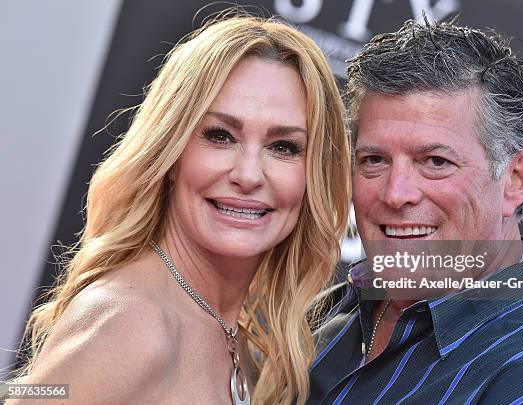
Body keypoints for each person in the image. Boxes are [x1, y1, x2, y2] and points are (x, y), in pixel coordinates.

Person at [10, 15, 350, 405]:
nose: (249, 174)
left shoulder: (236, 340)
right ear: (171, 154)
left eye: (284, 147)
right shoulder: (131, 323)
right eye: (220, 136)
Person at [308, 18, 523, 404]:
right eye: (374, 159)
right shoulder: (330, 311)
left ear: (516, 177)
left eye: (435, 161)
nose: (395, 193)